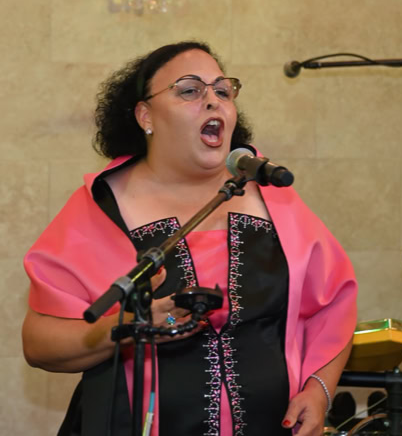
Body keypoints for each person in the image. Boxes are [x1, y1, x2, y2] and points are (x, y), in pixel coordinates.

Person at [22, 41, 358, 436]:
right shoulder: (100, 207)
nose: (213, 100)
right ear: (145, 116)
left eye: (223, 91)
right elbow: (40, 344)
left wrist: (319, 390)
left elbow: (333, 309)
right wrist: (131, 324)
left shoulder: (274, 198)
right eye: (190, 90)